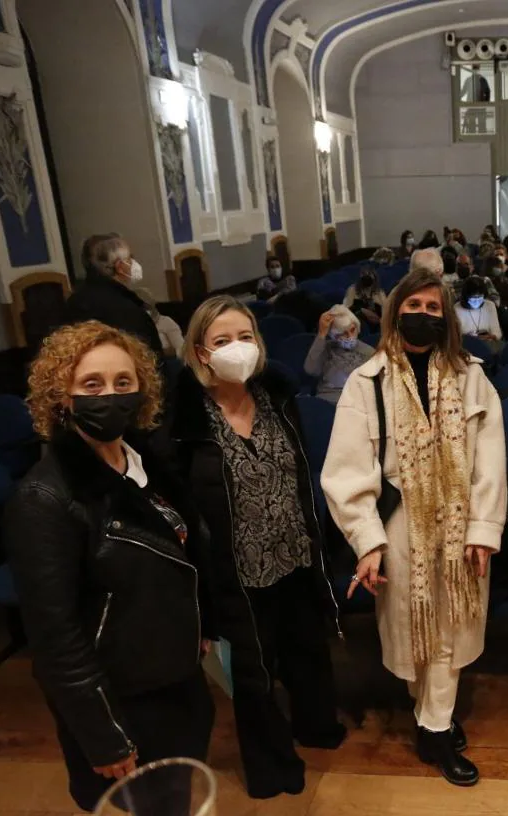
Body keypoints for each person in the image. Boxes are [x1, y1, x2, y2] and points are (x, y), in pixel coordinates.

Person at [4, 322, 213, 812]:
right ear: (62, 397)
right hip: (123, 698)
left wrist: (200, 624)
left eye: (123, 383)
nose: (111, 396)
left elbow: (177, 558)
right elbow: (57, 642)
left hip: (174, 677)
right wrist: (104, 735)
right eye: (91, 385)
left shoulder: (145, 463)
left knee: (174, 799)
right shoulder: (43, 498)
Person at [321, 268, 506, 787]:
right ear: (393, 311)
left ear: (446, 317)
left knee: (447, 632)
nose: (423, 315)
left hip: (460, 524)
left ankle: (436, 726)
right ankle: (430, 715)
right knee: (418, 628)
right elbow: (347, 470)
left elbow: (490, 461)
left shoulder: (472, 375)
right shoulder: (367, 381)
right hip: (401, 528)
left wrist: (482, 529)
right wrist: (367, 542)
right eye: (414, 306)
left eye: (433, 308)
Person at [172, 296, 346, 800]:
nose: (237, 349)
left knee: (308, 650)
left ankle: (316, 726)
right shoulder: (185, 422)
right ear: (201, 353)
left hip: (294, 552)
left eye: (245, 337)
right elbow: (184, 507)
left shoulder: (276, 396)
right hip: (235, 570)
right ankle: (271, 767)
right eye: (222, 341)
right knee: (252, 672)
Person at [65, 234, 163, 356]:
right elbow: (150, 358)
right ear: (120, 267)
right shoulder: (128, 310)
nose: (134, 263)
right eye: (130, 259)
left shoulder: (73, 301)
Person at [306, 305, 377, 403]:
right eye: (342, 333)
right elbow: (310, 370)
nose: (350, 336)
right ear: (333, 336)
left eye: (352, 330)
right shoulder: (326, 348)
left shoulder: (369, 352)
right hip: (327, 400)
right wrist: (321, 334)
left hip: (356, 402)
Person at [136, 287, 184, 358]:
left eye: (146, 307)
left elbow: (181, 349)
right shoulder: (133, 325)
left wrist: (160, 352)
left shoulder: (166, 321)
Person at [455, 276, 502, 345]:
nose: (477, 301)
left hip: (487, 345)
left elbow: (497, 332)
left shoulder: (489, 305)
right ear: (466, 296)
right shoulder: (457, 308)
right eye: (473, 298)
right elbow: (455, 336)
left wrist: (491, 336)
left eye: (480, 297)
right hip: (466, 345)